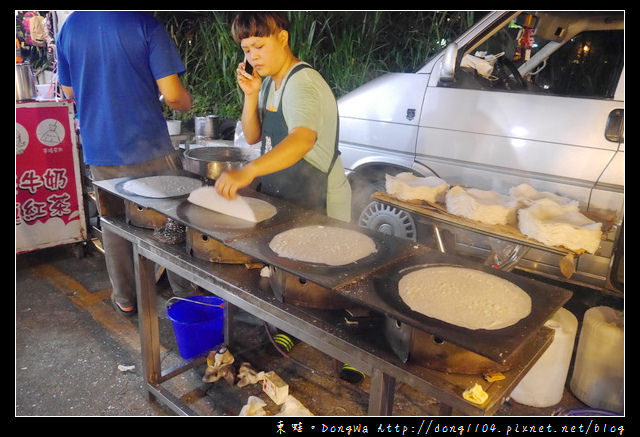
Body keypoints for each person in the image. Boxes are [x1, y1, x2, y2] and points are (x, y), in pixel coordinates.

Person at [56, 11, 193, 314]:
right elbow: (172, 95)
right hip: (148, 146)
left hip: (99, 146)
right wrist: (187, 102)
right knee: (174, 220)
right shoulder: (145, 24)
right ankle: (185, 295)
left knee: (114, 224)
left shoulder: (70, 28)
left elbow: (69, 91)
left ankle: (126, 298)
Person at [215, 11, 351, 223]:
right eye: (247, 50)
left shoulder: (301, 83)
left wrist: (248, 171)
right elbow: (253, 137)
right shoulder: (269, 81)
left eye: (259, 47)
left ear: (282, 38)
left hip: (320, 205)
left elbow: (302, 140)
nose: (253, 57)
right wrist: (251, 95)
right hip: (287, 199)